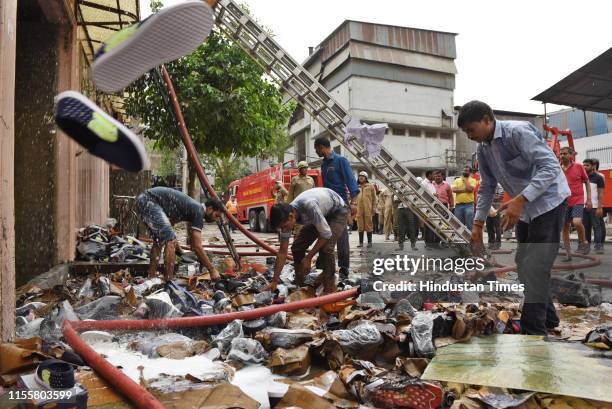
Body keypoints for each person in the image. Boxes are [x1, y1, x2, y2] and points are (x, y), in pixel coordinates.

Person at [460, 100, 570, 335]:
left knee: (536, 266)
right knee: (523, 264)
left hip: (550, 202)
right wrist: (478, 225)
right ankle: (549, 317)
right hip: (525, 209)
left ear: (487, 120)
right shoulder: (483, 148)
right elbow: (487, 187)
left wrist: (520, 200)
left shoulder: (518, 132)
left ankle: (533, 332)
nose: (469, 136)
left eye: (471, 129)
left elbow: (551, 167)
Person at [268, 188, 348, 294]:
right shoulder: (286, 216)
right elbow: (282, 252)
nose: (284, 230)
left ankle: (329, 292)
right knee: (297, 247)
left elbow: (326, 234)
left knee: (326, 249)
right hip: (321, 213)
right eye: (281, 228)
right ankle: (301, 287)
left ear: (291, 217)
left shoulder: (309, 206)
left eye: (284, 227)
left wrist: (308, 257)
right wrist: (274, 281)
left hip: (337, 211)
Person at [135, 187, 224, 281]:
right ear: (210, 209)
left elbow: (170, 226)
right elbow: (197, 246)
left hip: (144, 199)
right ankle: (168, 281)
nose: (216, 219)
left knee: (159, 240)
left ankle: (151, 277)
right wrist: (212, 270)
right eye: (216, 215)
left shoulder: (190, 208)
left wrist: (180, 251)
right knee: (170, 240)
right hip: (149, 201)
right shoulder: (198, 211)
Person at [314, 137, 360, 277]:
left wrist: (354, 203)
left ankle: (344, 267)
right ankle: (324, 265)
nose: (316, 152)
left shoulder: (341, 161)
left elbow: (352, 183)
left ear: (322, 147)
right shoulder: (323, 165)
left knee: (341, 237)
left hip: (340, 205)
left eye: (316, 149)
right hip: (327, 205)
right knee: (324, 233)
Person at [559, 146, 591, 261]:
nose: (562, 156)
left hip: (578, 199)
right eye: (561, 154)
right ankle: (568, 254)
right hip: (564, 201)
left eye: (565, 154)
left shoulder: (579, 167)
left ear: (571, 155)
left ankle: (584, 242)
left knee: (577, 222)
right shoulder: (558, 168)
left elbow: (586, 181)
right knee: (565, 227)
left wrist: (589, 199)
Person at [582, 158, 605, 254]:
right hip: (583, 206)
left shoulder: (599, 177)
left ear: (592, 166)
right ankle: (587, 246)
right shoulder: (582, 177)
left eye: (587, 165)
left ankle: (598, 245)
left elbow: (601, 194)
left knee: (596, 226)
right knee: (586, 227)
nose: (585, 167)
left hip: (595, 206)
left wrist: (600, 207)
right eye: (584, 165)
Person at [355, 171, 377, 248]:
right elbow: (353, 197)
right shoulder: (356, 186)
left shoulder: (370, 186)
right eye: (359, 176)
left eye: (362, 176)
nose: (360, 177)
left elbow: (374, 198)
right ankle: (361, 243)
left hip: (368, 209)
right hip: (359, 210)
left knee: (368, 225)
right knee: (360, 226)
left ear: (366, 178)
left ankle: (369, 242)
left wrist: (374, 208)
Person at [452, 166, 477, 230]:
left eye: (466, 171)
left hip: (469, 205)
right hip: (458, 205)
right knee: (458, 224)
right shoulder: (457, 180)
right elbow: (454, 190)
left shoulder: (473, 180)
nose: (465, 172)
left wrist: (465, 180)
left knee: (470, 224)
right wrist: (465, 190)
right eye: (464, 170)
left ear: (470, 172)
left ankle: (471, 239)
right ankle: (459, 239)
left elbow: (470, 190)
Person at [421, 170, 438, 247]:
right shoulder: (424, 183)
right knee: (428, 225)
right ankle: (428, 243)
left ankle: (431, 242)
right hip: (427, 207)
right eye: (433, 174)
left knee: (432, 225)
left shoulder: (431, 183)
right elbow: (422, 194)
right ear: (429, 175)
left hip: (433, 207)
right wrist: (433, 195)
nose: (435, 176)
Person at [486, 183, 505, 249]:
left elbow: (501, 196)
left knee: (497, 227)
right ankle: (491, 243)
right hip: (488, 209)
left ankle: (497, 244)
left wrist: (489, 198)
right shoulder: (487, 185)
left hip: (496, 209)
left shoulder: (499, 186)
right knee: (489, 227)